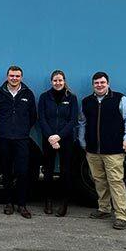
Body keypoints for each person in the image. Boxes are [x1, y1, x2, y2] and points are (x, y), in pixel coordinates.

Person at [78, 71, 126, 230]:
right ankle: (104, 209)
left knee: (116, 182)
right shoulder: (87, 102)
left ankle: (121, 215)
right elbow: (82, 122)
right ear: (93, 85)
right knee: (99, 180)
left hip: (114, 151)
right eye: (96, 83)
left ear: (108, 83)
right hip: (92, 150)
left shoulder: (119, 99)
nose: (99, 85)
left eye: (102, 82)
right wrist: (83, 141)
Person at [0, 65, 37, 219]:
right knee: (6, 172)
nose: (14, 78)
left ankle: (22, 205)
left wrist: (23, 129)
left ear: (21, 78)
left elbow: (33, 116)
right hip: (4, 138)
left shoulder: (28, 94)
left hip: (22, 139)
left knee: (22, 172)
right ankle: (8, 203)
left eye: (17, 76)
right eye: (12, 75)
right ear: (7, 76)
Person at [38, 70, 79, 217]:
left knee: (65, 172)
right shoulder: (44, 97)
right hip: (48, 139)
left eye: (60, 80)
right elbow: (41, 118)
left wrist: (58, 137)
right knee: (47, 172)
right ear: (51, 82)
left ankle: (64, 204)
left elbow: (73, 120)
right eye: (55, 80)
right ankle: (48, 202)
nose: (58, 83)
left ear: (64, 81)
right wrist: (50, 137)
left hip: (66, 140)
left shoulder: (71, 98)